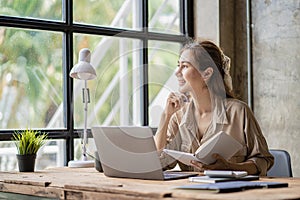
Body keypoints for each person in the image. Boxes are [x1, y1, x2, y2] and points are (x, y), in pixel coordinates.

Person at [154, 39, 274, 176]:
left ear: (207, 74)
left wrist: (230, 167)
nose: (177, 72)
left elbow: (263, 160)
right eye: (178, 65)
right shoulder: (178, 116)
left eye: (185, 66)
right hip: (191, 193)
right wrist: (165, 116)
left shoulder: (239, 112)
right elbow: (159, 164)